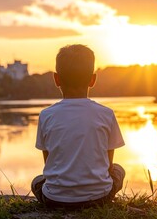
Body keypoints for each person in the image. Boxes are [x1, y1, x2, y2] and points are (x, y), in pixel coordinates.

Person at [31, 44, 125, 209]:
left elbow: (49, 164)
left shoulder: (46, 115)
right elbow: (109, 165)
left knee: (37, 181)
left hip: (55, 200)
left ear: (56, 79)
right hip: (100, 198)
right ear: (93, 80)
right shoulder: (107, 114)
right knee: (119, 170)